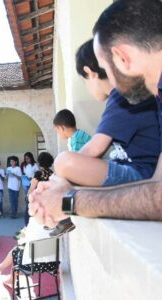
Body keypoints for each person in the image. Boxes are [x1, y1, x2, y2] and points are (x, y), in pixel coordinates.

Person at [29, 0, 162, 226]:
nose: (108, 77)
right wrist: (63, 192)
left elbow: (157, 197)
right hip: (140, 174)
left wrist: (67, 200)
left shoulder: (125, 98)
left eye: (105, 66)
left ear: (122, 58)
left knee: (65, 161)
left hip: (137, 172)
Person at [51, 39, 159, 237]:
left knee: (64, 161)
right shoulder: (127, 94)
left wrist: (57, 176)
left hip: (139, 175)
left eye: (84, 80)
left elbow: (94, 149)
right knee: (66, 169)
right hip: (136, 170)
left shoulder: (121, 95)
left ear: (90, 72)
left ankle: (61, 204)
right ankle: (61, 202)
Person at [0, 219, 56, 288]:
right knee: (21, 249)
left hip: (32, 265)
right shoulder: (58, 224)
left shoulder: (34, 222)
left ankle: (4, 272)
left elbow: (18, 239)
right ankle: (2, 270)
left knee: (18, 250)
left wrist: (21, 233)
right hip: (52, 264)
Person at [20, 152, 39, 225]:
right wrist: (25, 176)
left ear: (31, 158)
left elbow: (38, 174)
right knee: (27, 198)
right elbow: (24, 173)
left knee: (33, 197)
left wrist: (32, 177)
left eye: (28, 158)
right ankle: (28, 211)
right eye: (25, 158)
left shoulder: (34, 165)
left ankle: (33, 212)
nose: (27, 160)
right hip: (25, 183)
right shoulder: (24, 165)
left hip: (33, 183)